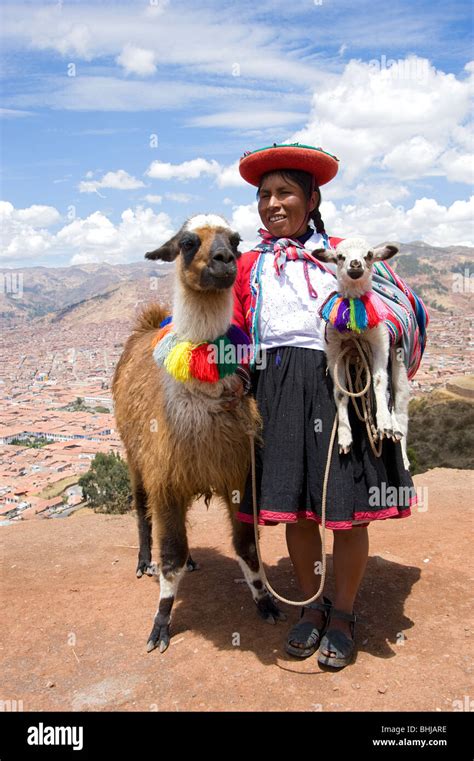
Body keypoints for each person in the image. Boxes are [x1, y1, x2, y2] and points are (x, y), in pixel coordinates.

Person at [229, 143, 429, 669]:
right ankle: (312, 606)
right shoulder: (251, 265)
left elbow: (397, 307)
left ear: (312, 197)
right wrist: (233, 373)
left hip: (340, 387)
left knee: (345, 513)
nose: (273, 203)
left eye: (285, 192)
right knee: (298, 511)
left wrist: (363, 330)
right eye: (264, 195)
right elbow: (240, 331)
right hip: (275, 390)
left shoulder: (343, 251)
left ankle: (342, 614)